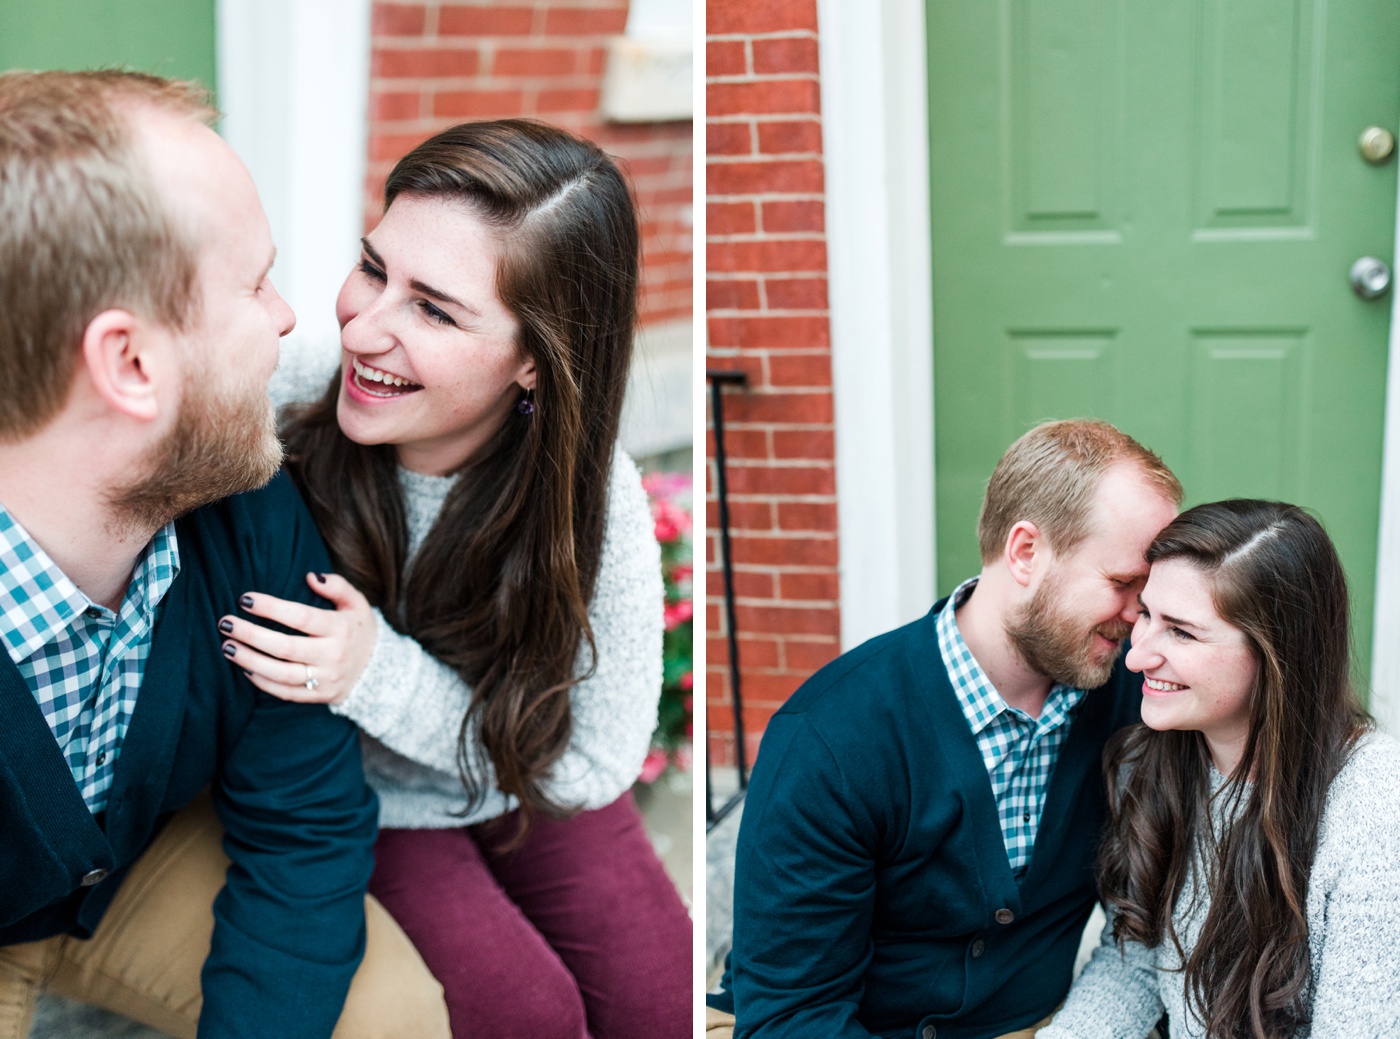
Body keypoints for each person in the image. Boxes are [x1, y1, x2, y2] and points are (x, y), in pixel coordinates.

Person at [0, 70, 451, 1039]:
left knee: (391, 1014)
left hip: (128, 869)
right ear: (129, 364)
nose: (292, 317)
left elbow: (305, 824)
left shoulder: (243, 503)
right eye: (253, 284)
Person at [218, 119, 692, 1038]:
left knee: (658, 1004)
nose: (364, 324)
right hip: (362, 794)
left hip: (527, 776)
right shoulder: (286, 394)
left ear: (534, 360)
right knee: (527, 1012)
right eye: (372, 267)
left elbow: (595, 762)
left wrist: (374, 675)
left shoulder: (594, 505)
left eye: (433, 309)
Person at [707, 418, 1183, 1039]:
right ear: (1025, 552)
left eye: (1150, 594)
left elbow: (1153, 929)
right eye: (1123, 584)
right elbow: (791, 1015)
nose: (1139, 623)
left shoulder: (1137, 696)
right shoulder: (830, 738)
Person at [1040, 500, 1400, 1039]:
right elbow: (1135, 967)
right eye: (1145, 615)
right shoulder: (1154, 758)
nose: (1136, 658)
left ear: (1278, 654)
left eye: (1182, 632)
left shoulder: (1374, 804)